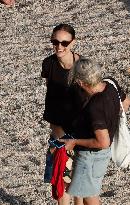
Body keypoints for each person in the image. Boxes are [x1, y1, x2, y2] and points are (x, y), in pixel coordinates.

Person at [59, 58, 130, 205]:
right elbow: (125, 102)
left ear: (80, 82)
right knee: (88, 194)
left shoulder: (94, 106)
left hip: (90, 157)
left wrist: (74, 142)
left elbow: (103, 142)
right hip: (101, 157)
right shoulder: (110, 85)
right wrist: (111, 121)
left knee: (91, 198)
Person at [41, 24, 88, 204]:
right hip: (59, 130)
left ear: (73, 42)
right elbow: (50, 94)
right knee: (61, 183)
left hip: (81, 131)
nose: (59, 46)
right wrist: (58, 135)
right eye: (55, 41)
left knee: (79, 184)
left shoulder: (83, 66)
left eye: (64, 42)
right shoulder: (48, 63)